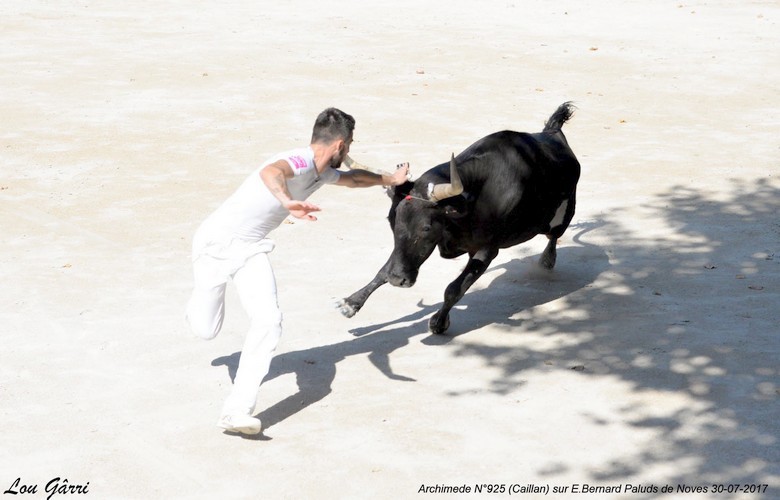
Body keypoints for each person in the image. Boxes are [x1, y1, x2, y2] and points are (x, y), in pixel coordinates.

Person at [186, 108, 410, 435]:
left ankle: (235, 412)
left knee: (269, 320)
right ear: (340, 145)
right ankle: (195, 308)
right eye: (349, 144)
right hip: (214, 245)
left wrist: (389, 179)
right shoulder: (301, 160)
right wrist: (287, 200)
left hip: (251, 248)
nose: (348, 150)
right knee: (205, 330)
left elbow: (352, 179)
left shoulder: (321, 172)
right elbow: (271, 172)